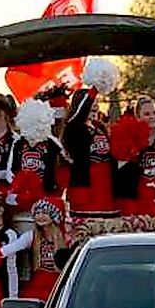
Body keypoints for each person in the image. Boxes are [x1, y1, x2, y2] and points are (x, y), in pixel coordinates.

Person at [63, 88, 118, 218]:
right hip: (87, 186)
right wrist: (94, 89)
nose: (96, 106)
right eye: (91, 104)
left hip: (106, 185)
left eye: (96, 104)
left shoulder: (101, 128)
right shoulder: (73, 129)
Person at [0, 197, 68, 302]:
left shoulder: (67, 238)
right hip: (39, 285)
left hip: (61, 284)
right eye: (37, 213)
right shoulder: (32, 236)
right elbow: (11, 248)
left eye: (45, 212)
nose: (40, 216)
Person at [115, 95, 155, 216]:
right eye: (147, 114)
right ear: (138, 116)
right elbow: (121, 170)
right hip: (135, 196)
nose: (152, 117)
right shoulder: (129, 138)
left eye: (154, 113)